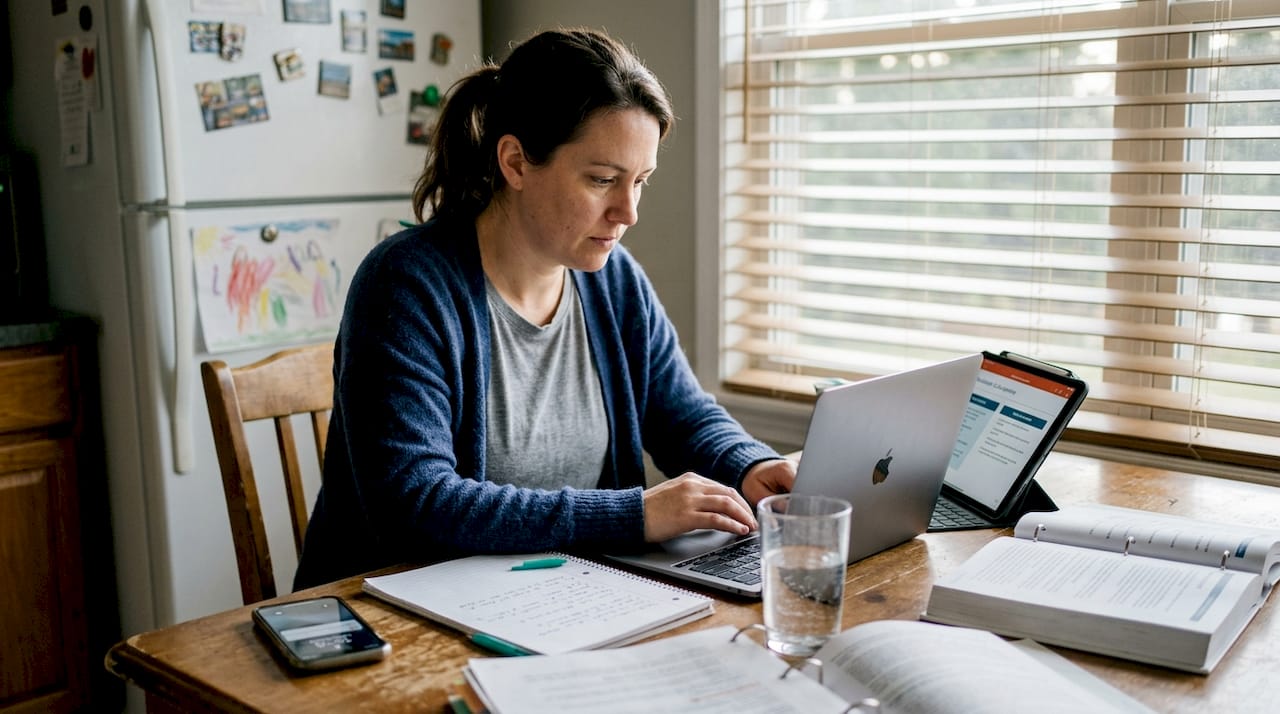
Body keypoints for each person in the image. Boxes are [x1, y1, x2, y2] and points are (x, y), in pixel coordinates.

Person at [294, 28, 796, 589]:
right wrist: (634, 514)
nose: (627, 212)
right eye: (603, 180)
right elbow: (416, 500)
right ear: (515, 162)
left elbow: (681, 413)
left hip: (558, 595)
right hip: (396, 617)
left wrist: (751, 465)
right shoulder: (406, 285)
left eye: (641, 182)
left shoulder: (612, 280)